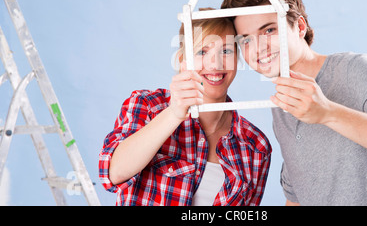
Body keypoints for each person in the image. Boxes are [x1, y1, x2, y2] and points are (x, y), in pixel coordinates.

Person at [220, 0, 367, 206]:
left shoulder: (353, 69)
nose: (257, 47)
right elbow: (296, 196)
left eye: (269, 30)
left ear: (300, 27)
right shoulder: (282, 105)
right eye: (246, 40)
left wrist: (328, 112)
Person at [99, 11, 271, 206]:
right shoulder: (147, 105)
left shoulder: (255, 146)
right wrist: (173, 114)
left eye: (226, 51)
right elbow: (112, 174)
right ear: (182, 61)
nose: (215, 64)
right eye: (202, 52)